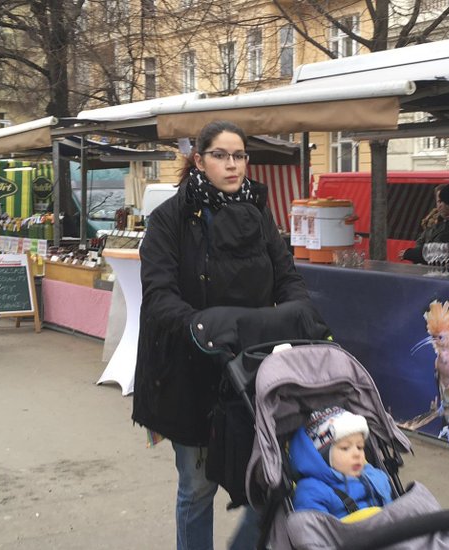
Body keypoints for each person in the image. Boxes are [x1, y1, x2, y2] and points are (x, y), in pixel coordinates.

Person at [133, 120, 310, 550]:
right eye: (221, 155)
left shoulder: (258, 212)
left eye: (239, 156)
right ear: (199, 160)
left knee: (271, 477)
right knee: (197, 488)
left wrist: (300, 311)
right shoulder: (169, 219)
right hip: (192, 368)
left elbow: (286, 275)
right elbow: (159, 295)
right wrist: (201, 326)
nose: (233, 165)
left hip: (255, 367)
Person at [289, 406, 393, 518]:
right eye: (345, 448)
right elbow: (316, 531)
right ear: (322, 457)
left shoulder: (373, 476)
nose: (357, 454)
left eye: (360, 447)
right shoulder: (312, 490)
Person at [400, 180, 449, 264]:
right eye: (439, 201)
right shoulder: (432, 224)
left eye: (444, 201)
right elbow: (420, 243)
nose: (441, 205)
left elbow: (444, 251)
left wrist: (413, 254)